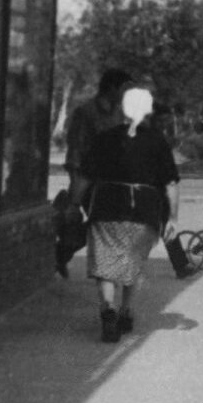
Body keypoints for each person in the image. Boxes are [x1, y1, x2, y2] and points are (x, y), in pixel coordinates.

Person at [71, 87, 179, 343]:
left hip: (107, 207)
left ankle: (108, 308)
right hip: (144, 210)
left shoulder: (105, 139)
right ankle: (126, 311)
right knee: (132, 261)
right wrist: (173, 218)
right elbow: (171, 183)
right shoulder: (157, 141)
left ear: (123, 109)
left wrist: (74, 203)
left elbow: (84, 177)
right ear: (148, 111)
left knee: (105, 263)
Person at [56, 69, 132, 277]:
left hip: (111, 181)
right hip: (90, 181)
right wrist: (75, 194)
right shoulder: (86, 113)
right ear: (112, 88)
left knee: (104, 224)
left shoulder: (118, 113)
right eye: (124, 89)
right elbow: (75, 152)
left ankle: (61, 253)